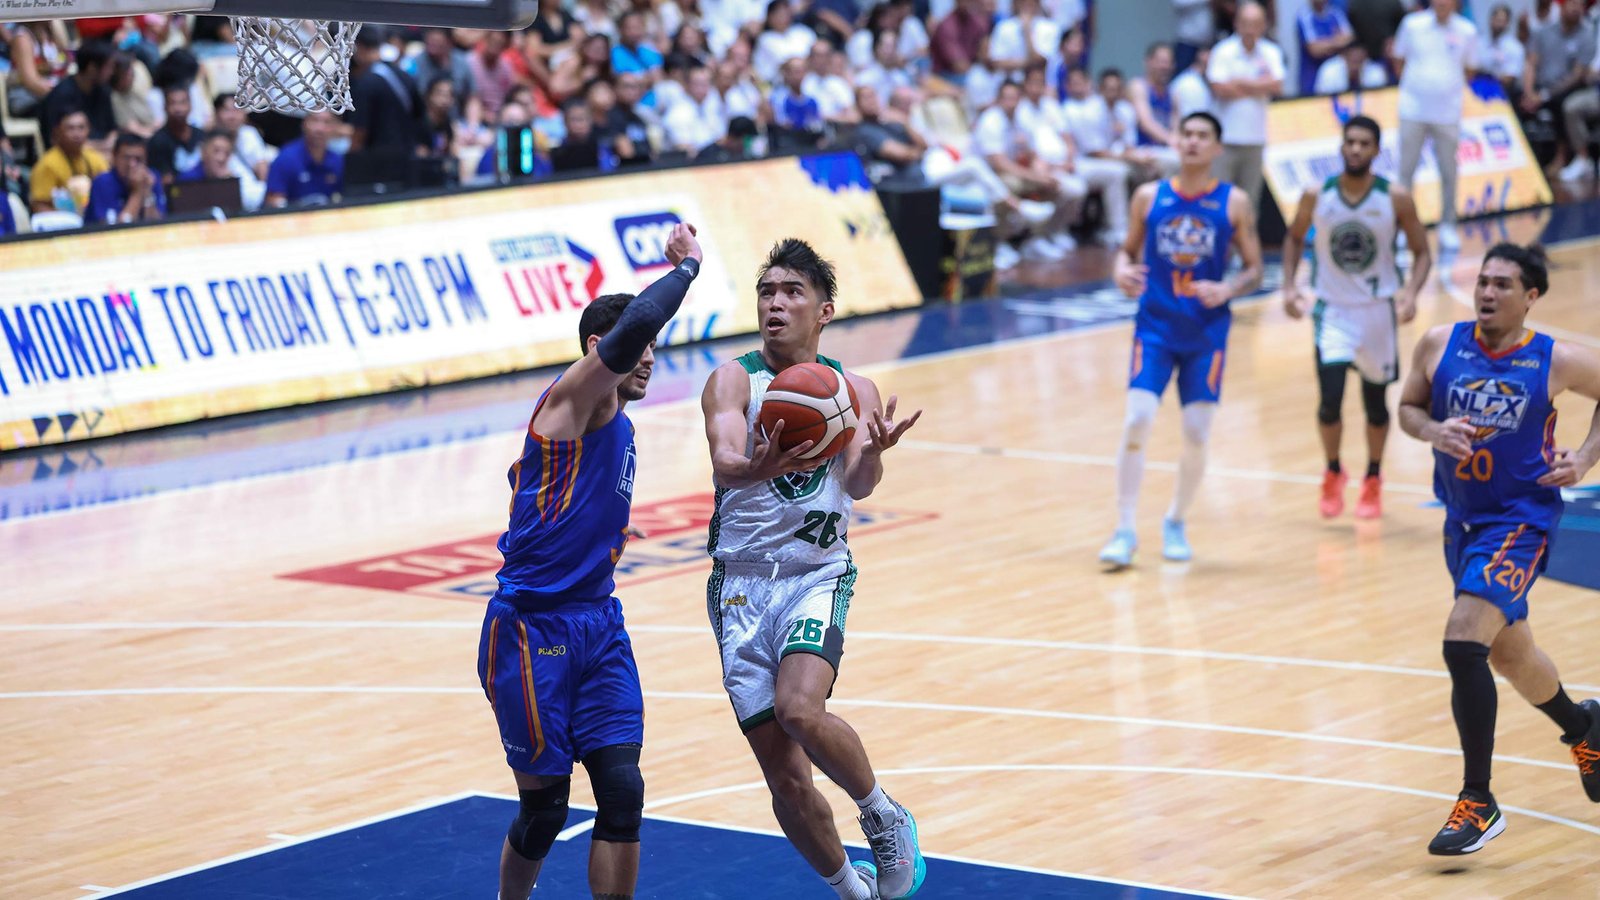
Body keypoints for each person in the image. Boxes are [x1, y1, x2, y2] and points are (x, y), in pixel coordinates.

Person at [479, 222, 705, 900]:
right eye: (639, 349)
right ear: (595, 351)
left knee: (623, 792)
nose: (649, 358)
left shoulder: (623, 427)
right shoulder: (568, 403)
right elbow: (633, 326)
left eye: (655, 349)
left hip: (599, 624)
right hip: (531, 631)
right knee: (546, 812)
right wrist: (687, 268)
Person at [700, 238, 925, 900]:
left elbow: (858, 484)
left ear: (824, 311)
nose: (775, 303)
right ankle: (851, 892)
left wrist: (874, 452)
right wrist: (757, 466)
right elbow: (725, 462)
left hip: (815, 574)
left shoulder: (855, 389)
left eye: (791, 292)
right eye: (766, 291)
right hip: (739, 586)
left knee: (800, 708)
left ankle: (882, 815)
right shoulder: (733, 379)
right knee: (787, 779)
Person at [1396, 241, 1600, 855]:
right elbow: (1407, 409)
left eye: (1503, 284)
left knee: (1463, 643)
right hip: (1462, 522)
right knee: (1512, 655)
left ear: (1530, 296)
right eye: (1483, 281)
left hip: (1520, 521)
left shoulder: (1554, 359)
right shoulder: (1439, 344)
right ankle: (1585, 729)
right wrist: (1433, 429)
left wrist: (1585, 457)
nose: (1487, 292)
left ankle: (1478, 799)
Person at [1099, 111, 1264, 566]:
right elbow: (1125, 252)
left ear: (1217, 148)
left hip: (1206, 333)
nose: (1192, 142)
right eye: (1186, 134)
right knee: (1137, 420)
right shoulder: (1149, 196)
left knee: (1196, 432)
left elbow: (1255, 269)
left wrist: (1228, 288)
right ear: (1175, 141)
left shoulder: (1234, 202)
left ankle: (1175, 520)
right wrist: (1119, 271)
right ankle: (1124, 530)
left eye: (1202, 136)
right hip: (1154, 327)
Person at [1281, 116, 1431, 520]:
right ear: (1341, 146)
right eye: (1350, 142)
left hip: (1377, 311)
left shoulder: (1395, 197)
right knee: (1329, 401)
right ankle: (1333, 470)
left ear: (1377, 150)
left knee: (1375, 405)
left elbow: (1422, 252)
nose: (1356, 149)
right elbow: (1293, 238)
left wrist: (1411, 294)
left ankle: (1374, 477)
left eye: (1364, 143)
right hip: (1332, 310)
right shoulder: (1317, 194)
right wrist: (1290, 287)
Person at [1393, 0, 1476, 251]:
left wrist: (1446, 87)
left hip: (1448, 112)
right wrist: (1419, 86)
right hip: (1413, 109)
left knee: (1449, 171)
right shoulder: (1412, 24)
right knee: (1406, 171)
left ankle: (1448, 225)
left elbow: (1470, 69)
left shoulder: (1467, 30)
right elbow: (1398, 60)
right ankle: (1402, 227)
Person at [1205, 1, 1284, 206]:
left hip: (1256, 138)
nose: (1250, 29)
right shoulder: (1223, 51)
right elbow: (1219, 88)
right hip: (1225, 139)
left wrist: (1239, 82)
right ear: (1236, 23)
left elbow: (1277, 86)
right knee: (1219, 200)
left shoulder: (1271, 52)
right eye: (1246, 23)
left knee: (1249, 202)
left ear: (1264, 25)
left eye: (1256, 23)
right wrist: (1260, 87)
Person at [30, 109, 108, 214]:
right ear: (57, 131)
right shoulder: (47, 165)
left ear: (88, 129)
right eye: (70, 128)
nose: (77, 134)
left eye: (81, 128)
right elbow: (39, 205)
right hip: (61, 220)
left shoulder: (95, 159)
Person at [265, 109, 344, 207]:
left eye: (327, 122)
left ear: (336, 127)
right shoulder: (286, 158)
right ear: (304, 123)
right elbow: (273, 200)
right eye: (315, 120)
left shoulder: (337, 160)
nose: (320, 129)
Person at [84, 131, 164, 224]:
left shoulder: (151, 178)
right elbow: (115, 230)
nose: (132, 164)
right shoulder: (102, 182)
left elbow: (158, 226)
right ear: (114, 157)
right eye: (126, 158)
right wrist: (137, 193)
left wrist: (147, 193)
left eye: (138, 159)